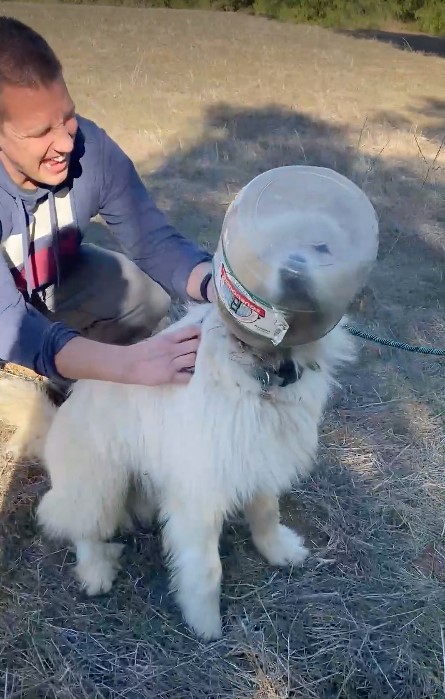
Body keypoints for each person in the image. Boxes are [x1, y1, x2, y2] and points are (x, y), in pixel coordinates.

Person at [0, 16, 215, 398]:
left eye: (66, 117)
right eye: (39, 133)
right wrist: (131, 365)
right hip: (6, 312)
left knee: (143, 297)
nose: (66, 143)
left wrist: (220, 287)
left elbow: (154, 242)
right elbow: (8, 321)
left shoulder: (90, 150)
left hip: (48, 286)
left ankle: (73, 390)